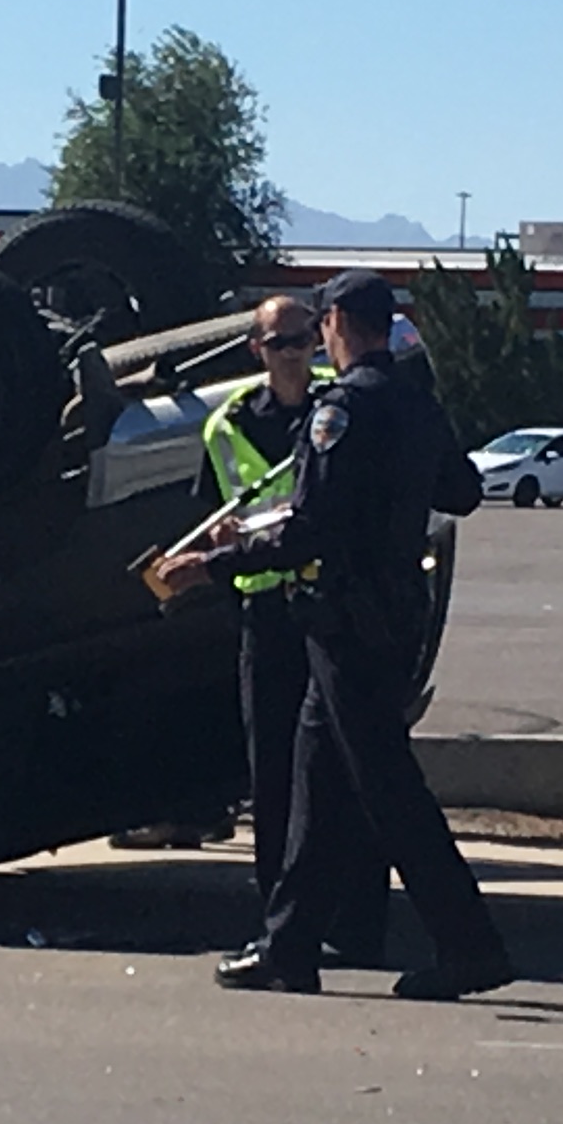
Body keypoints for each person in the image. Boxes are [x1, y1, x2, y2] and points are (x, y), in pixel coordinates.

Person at [216, 271, 514, 1001]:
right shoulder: (415, 404)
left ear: (341, 322)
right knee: (316, 781)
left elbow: (310, 528)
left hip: (348, 620)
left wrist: (215, 562)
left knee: (390, 792)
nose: (319, 334)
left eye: (321, 322)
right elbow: (462, 492)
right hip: (394, 619)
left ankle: (470, 945)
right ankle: (289, 946)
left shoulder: (340, 411)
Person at [194, 294, 387, 964]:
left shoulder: (341, 406)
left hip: (329, 603)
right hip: (267, 613)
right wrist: (220, 546)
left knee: (348, 770)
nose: (297, 350)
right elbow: (211, 512)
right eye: (281, 342)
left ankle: (358, 921)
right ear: (258, 350)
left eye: (306, 336)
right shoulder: (226, 424)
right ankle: (281, 928)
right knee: (273, 774)